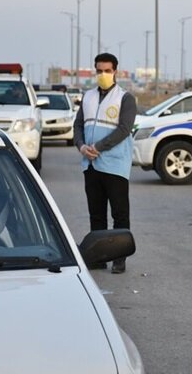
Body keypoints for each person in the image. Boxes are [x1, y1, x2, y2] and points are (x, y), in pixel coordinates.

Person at [73, 53, 136, 274]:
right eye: (99, 70)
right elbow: (78, 126)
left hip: (115, 164)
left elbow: (124, 129)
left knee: (119, 213)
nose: (103, 75)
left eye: (107, 71)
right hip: (90, 164)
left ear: (115, 71)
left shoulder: (125, 98)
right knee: (96, 213)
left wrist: (98, 147)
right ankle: (98, 257)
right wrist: (82, 146)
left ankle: (119, 258)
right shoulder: (88, 97)